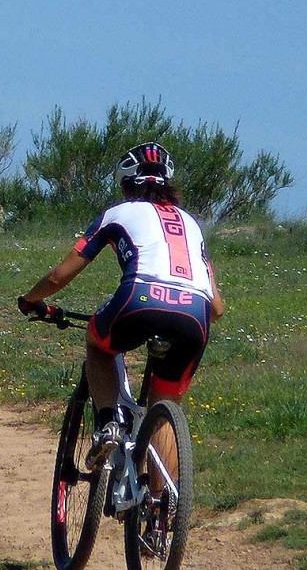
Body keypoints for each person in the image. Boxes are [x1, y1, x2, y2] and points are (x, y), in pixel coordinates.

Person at [18, 142, 224, 471]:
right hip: (195, 315)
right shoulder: (191, 224)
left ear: (126, 185)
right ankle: (163, 511)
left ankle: (108, 424)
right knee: (165, 409)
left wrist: (31, 300)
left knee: (98, 343)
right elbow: (217, 308)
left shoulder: (117, 214)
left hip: (139, 299)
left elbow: (59, 277)